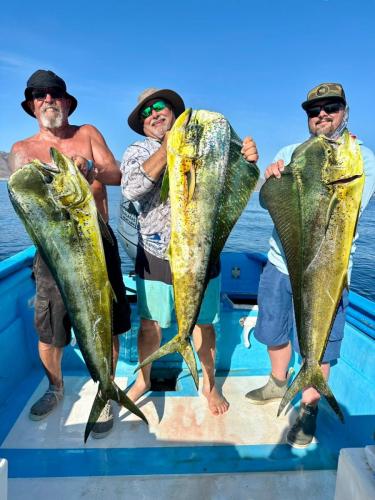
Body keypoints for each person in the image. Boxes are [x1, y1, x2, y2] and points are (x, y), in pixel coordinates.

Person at [246, 82, 375, 447]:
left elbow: (345, 207)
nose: (321, 115)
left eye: (330, 108)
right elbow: (267, 202)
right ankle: (277, 382)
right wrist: (270, 178)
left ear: (345, 112)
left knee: (319, 345)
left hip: (327, 273)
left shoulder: (361, 157)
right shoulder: (291, 151)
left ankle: (309, 408)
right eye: (313, 110)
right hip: (279, 264)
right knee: (273, 331)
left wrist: (335, 156)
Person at [121, 88, 258, 415]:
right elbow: (130, 189)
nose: (153, 114)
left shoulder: (207, 148)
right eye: (145, 113)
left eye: (159, 107)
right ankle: (143, 379)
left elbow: (234, 183)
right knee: (150, 324)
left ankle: (208, 383)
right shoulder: (138, 150)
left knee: (204, 324)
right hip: (155, 255)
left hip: (202, 252)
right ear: (142, 125)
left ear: (174, 112)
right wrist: (168, 149)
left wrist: (246, 159)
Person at [9, 69, 131, 438]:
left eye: (55, 94)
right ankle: (55, 387)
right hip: (52, 250)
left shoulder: (87, 134)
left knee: (104, 320)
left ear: (66, 102)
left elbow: (117, 175)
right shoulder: (20, 150)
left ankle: (105, 390)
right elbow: (23, 202)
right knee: (50, 327)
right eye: (40, 95)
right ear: (32, 105)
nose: (48, 100)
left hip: (97, 242)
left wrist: (90, 167)